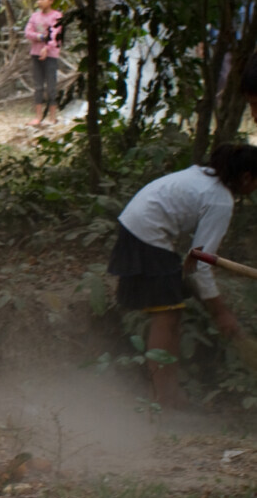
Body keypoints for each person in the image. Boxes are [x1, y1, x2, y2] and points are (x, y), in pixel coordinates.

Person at [108, 144, 257, 408]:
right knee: (167, 315)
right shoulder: (220, 200)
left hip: (137, 225)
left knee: (172, 312)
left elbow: (194, 258)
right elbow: (201, 261)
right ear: (247, 177)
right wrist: (221, 312)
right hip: (147, 233)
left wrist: (203, 295)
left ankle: (169, 395)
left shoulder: (204, 176)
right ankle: (165, 399)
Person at [25, 0, 63, 127]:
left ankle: (53, 117)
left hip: (51, 55)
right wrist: (40, 36)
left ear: (51, 0)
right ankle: (38, 117)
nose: (39, 1)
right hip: (35, 54)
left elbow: (55, 36)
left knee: (51, 85)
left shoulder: (57, 16)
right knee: (38, 85)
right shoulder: (35, 16)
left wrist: (47, 48)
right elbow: (28, 32)